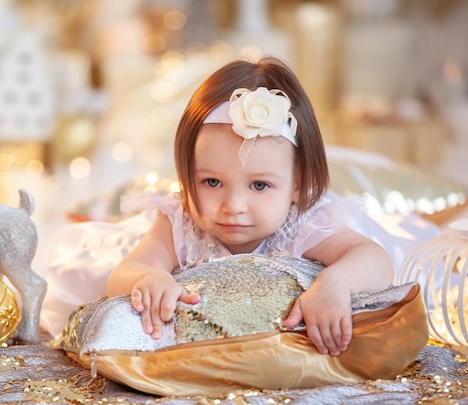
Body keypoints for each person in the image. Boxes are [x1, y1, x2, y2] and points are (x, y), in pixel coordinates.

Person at [105, 56, 394, 357]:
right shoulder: (182, 223)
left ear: (297, 184)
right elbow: (124, 273)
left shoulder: (301, 224)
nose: (233, 206)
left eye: (259, 185)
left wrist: (336, 282)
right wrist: (148, 278)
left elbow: (375, 258)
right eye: (212, 182)